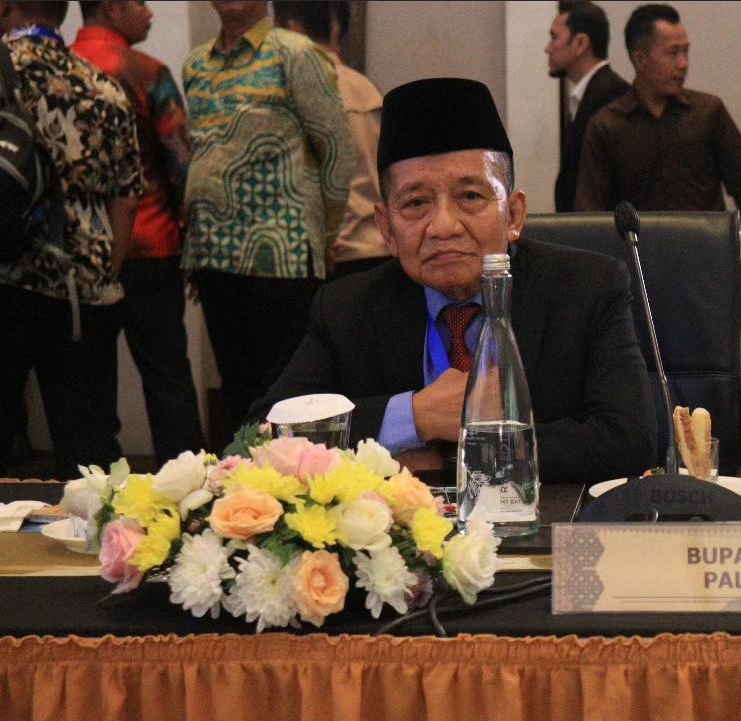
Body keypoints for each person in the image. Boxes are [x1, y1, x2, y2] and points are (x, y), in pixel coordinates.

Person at [250, 77, 657, 485]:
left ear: (514, 215)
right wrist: (415, 416)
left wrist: (453, 456)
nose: (443, 226)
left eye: (471, 197)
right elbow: (261, 435)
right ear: (386, 228)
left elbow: (629, 442)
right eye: (416, 203)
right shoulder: (346, 308)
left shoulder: (588, 288)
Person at [182, 1, 357, 449]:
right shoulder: (196, 65)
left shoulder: (294, 53)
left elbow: (337, 151)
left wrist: (324, 236)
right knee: (235, 388)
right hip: (214, 255)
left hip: (282, 253)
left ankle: (293, 481)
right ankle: (240, 482)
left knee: (284, 394)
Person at [574, 3, 741, 312]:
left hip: (706, 271)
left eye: (686, 52)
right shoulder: (607, 126)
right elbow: (590, 215)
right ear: (640, 59)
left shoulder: (709, 114)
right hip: (640, 279)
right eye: (672, 53)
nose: (683, 64)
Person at [0, 1, 141, 479]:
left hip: (7, 275)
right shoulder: (103, 86)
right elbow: (126, 198)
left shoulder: (4, 70)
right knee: (89, 453)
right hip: (84, 289)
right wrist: (105, 273)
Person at [71, 0, 207, 466]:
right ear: (111, 7)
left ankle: (95, 485)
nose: (148, 12)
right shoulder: (147, 72)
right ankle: (187, 485)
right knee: (167, 377)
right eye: (140, 3)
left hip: (82, 256)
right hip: (151, 245)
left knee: (88, 385)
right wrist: (191, 240)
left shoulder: (59, 71)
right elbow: (182, 167)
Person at [272, 1, 390, 279]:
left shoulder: (291, 93)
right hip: (380, 246)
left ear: (291, 29)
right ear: (336, 27)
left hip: (332, 255)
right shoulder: (367, 89)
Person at [546, 0, 629, 213]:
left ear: (580, 43)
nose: (548, 48)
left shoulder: (613, 96)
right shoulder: (590, 94)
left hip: (603, 230)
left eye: (555, 37)